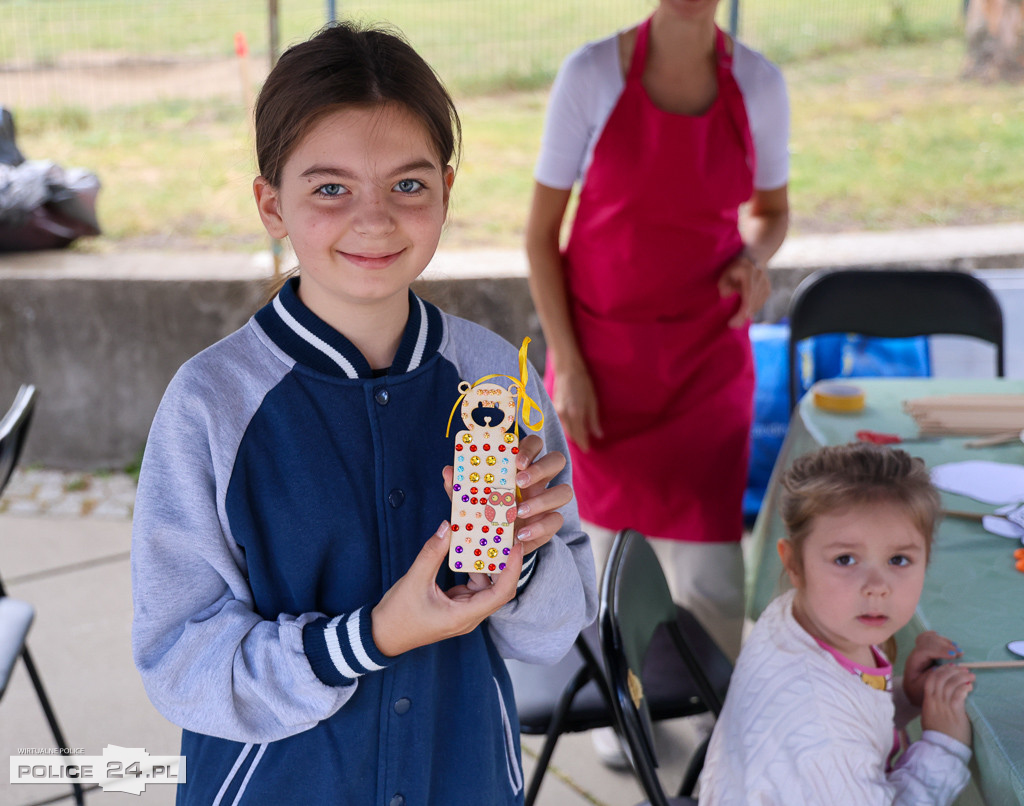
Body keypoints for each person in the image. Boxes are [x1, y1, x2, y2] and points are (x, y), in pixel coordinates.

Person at [131, 22, 597, 806]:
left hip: (464, 778)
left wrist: (521, 565)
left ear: (448, 190)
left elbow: (549, 635)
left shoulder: (494, 379)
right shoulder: (211, 405)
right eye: (330, 188)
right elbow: (179, 663)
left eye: (408, 186)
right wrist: (367, 639)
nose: (375, 220)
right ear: (271, 204)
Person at [525, 0, 790, 665]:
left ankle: (717, 735)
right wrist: (570, 364)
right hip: (601, 360)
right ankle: (621, 712)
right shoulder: (589, 76)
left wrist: (753, 259)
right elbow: (538, 238)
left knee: (712, 576)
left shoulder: (759, 84)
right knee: (607, 560)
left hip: (707, 359)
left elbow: (772, 212)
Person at [699, 443, 975, 805]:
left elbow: (846, 702)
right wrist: (943, 749)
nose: (877, 587)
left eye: (899, 559)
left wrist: (906, 696)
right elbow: (828, 727)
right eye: (845, 559)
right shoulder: (820, 735)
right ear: (794, 563)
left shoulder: (799, 617)